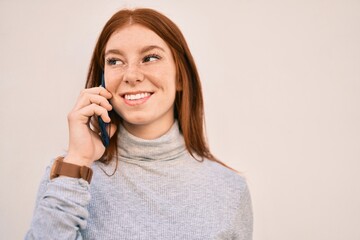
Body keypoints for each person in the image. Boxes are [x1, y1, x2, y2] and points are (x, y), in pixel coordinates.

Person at [26, 8, 253, 240]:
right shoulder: (70, 176)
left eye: (150, 58)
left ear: (180, 77)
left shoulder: (230, 191)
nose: (131, 75)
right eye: (115, 61)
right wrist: (78, 161)